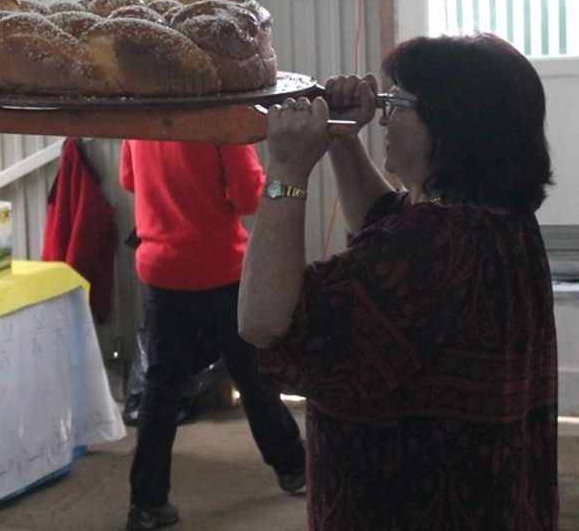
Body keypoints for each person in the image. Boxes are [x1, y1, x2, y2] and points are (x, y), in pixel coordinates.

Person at [238, 33, 558, 530]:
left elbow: (266, 323)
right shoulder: (500, 220)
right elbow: (384, 220)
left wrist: (286, 169)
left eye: (398, 104)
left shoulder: (432, 243)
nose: (384, 118)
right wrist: (342, 136)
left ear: (451, 127)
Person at [120, 139, 307, 531]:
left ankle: (148, 504)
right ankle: (294, 469)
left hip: (162, 271)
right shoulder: (220, 125)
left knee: (161, 387)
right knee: (252, 376)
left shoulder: (141, 121)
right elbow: (248, 197)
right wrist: (282, 178)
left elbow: (129, 179)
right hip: (220, 272)